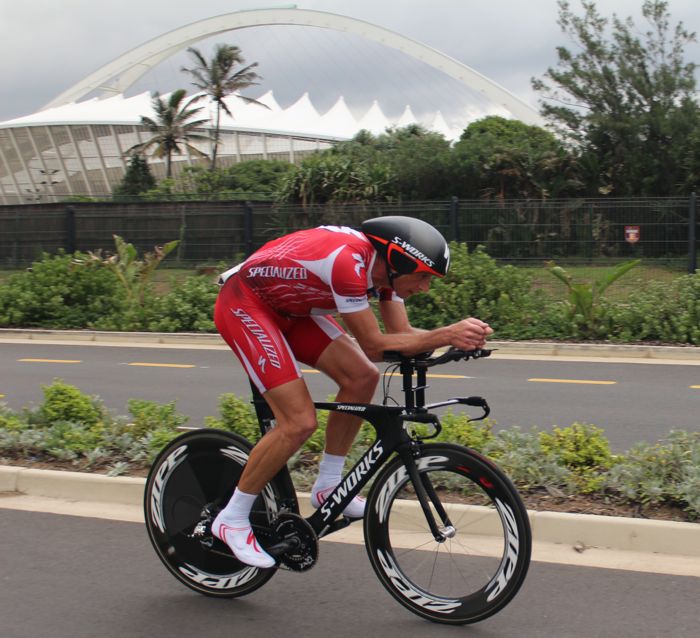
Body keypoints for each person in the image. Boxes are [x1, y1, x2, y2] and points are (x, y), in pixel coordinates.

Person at [212, 216, 493, 567]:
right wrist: (445, 334)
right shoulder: (348, 262)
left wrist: (454, 342)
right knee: (298, 422)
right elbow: (376, 346)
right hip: (246, 304)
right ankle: (232, 519)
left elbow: (401, 334)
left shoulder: (386, 276)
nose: (425, 288)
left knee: (362, 377)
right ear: (397, 261)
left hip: (293, 310)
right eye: (422, 276)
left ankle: (328, 486)